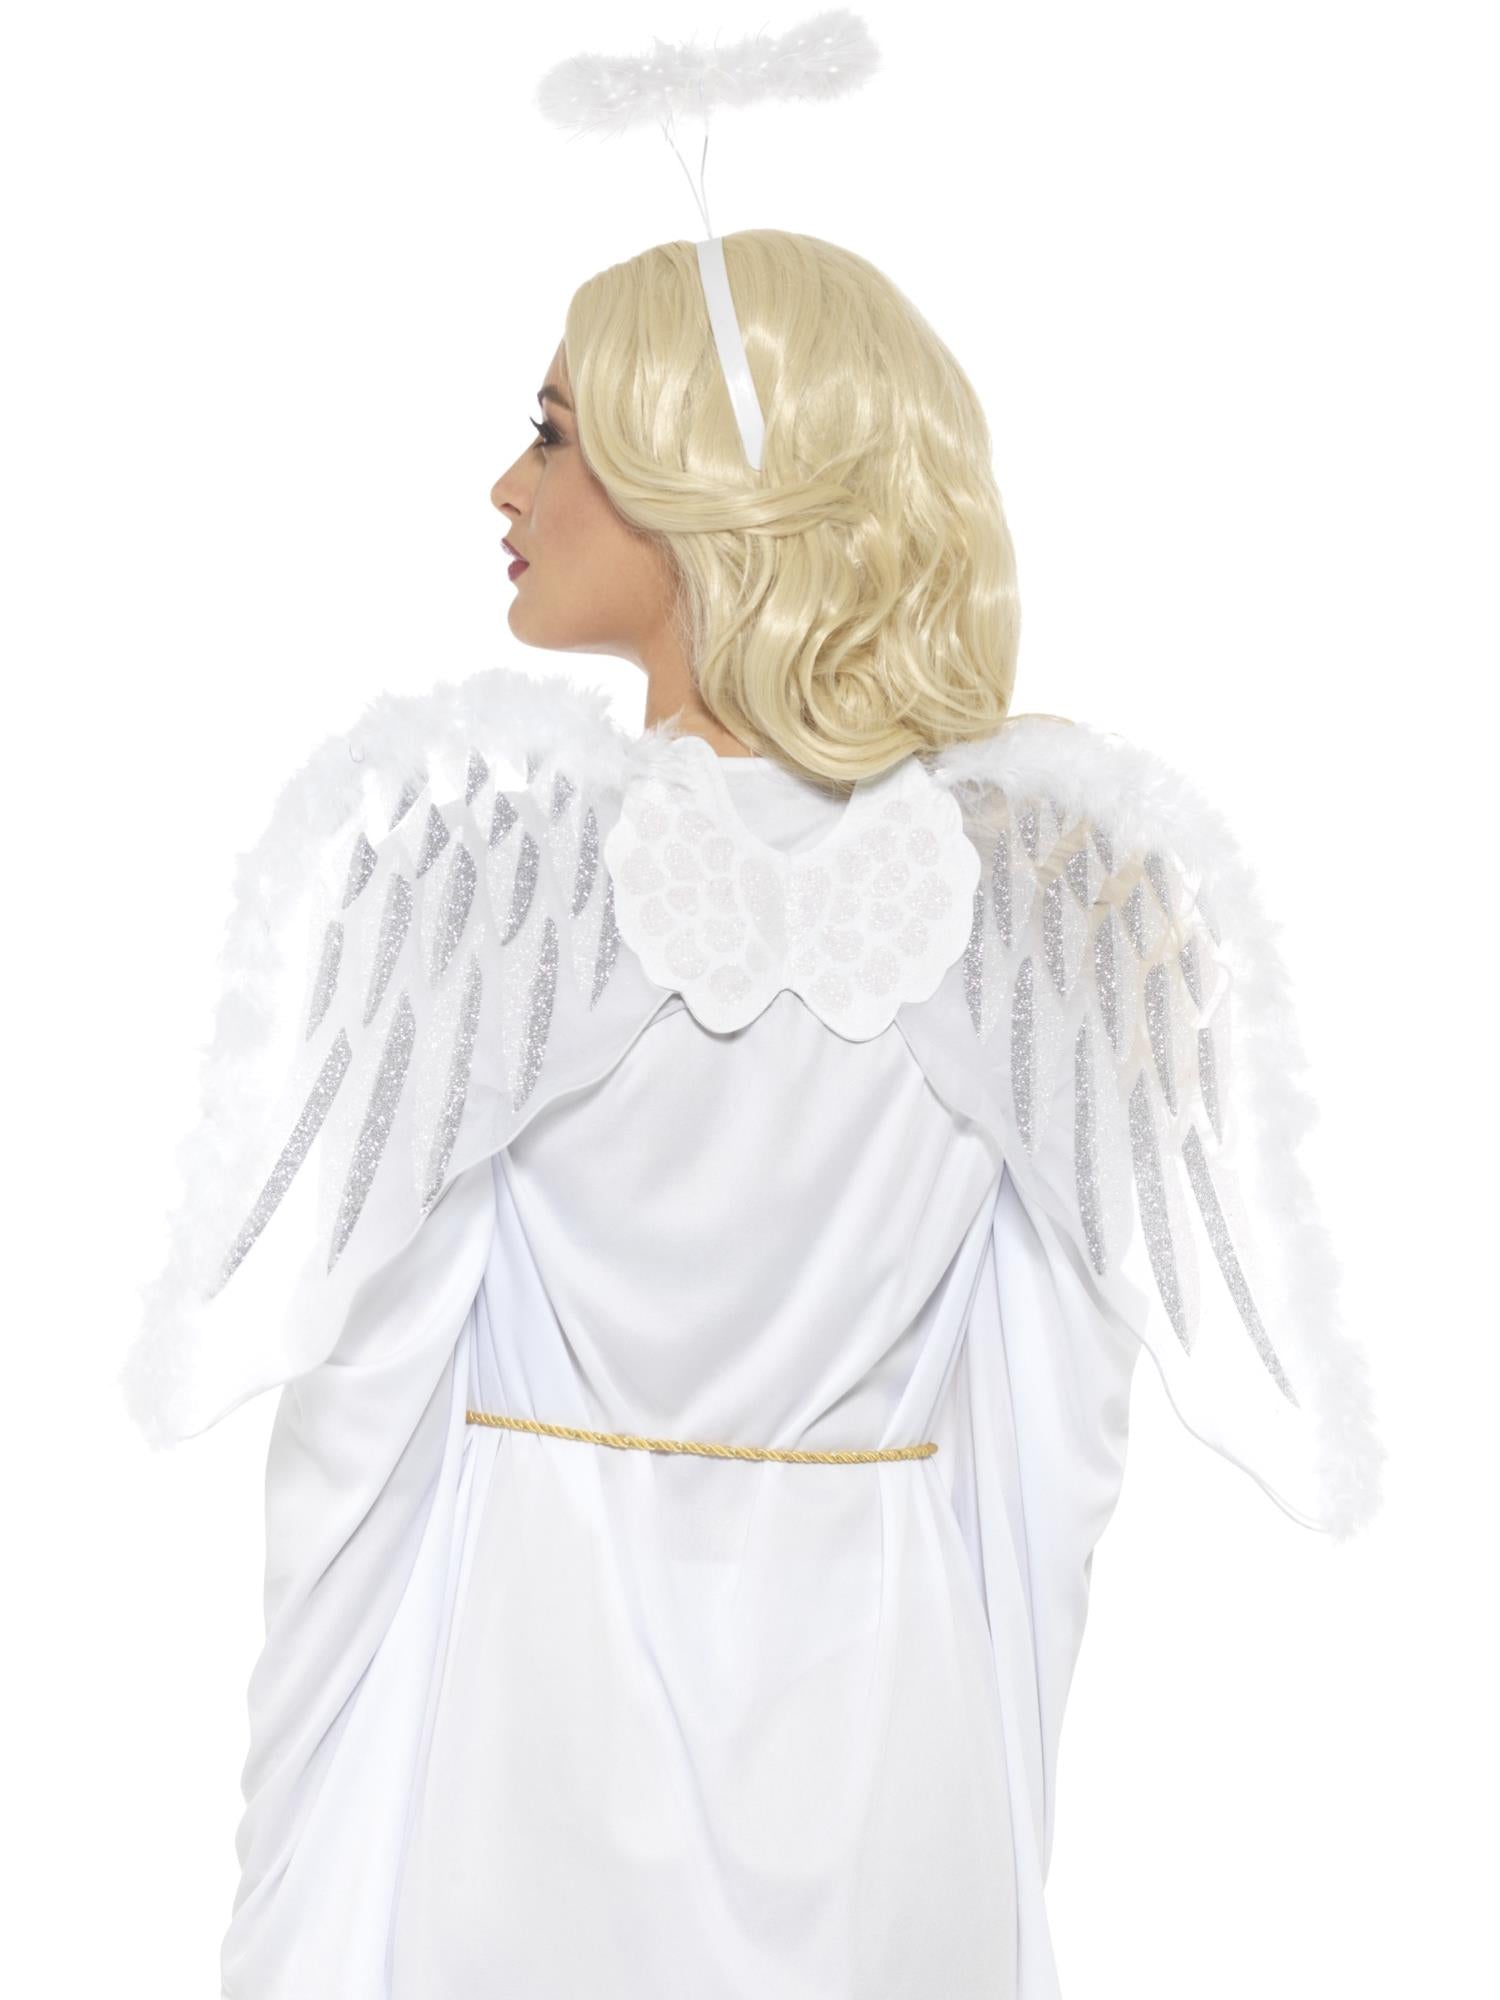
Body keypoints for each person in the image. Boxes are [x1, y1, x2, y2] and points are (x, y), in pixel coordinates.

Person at [123, 230, 1383, 2000]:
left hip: (535, 1742)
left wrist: (294, 1886)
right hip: (893, 1750)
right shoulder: (1042, 909)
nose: (507, 486)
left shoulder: (502, 882)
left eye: (555, 435)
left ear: (700, 482)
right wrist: (1005, 1839)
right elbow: (1056, 1450)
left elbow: (362, 1430)